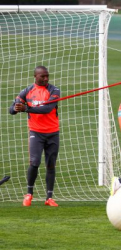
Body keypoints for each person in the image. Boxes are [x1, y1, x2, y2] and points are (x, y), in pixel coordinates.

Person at [9, 66, 60, 207]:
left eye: (47, 76)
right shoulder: (27, 91)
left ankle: (49, 197)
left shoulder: (54, 90)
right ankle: (29, 194)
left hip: (53, 133)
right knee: (34, 162)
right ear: (35, 76)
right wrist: (16, 107)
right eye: (43, 76)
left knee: (50, 164)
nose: (46, 79)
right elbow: (11, 110)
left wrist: (27, 108)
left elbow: (47, 109)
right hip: (36, 133)